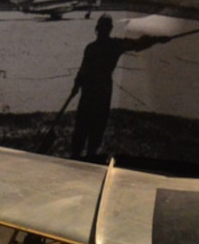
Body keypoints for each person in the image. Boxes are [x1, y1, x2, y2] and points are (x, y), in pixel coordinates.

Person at [66, 16, 178, 162]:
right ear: (109, 29)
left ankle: (77, 154)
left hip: (90, 89)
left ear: (97, 29)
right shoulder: (114, 45)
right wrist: (157, 39)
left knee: (84, 121)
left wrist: (76, 87)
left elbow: (83, 71)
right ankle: (90, 153)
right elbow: (138, 44)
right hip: (103, 89)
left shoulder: (91, 48)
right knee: (98, 122)